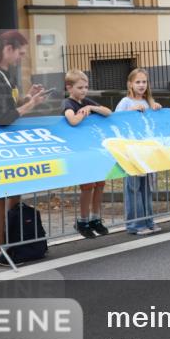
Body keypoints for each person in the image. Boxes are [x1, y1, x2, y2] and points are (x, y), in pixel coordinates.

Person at [0, 30, 51, 263]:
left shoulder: (6, 75)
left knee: (14, 193)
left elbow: (11, 104)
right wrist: (30, 106)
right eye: (20, 53)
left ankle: (14, 242)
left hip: (8, 142)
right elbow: (2, 117)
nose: (21, 57)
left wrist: (29, 97)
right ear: (7, 50)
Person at [62, 69, 112, 238]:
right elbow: (72, 120)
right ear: (70, 88)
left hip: (94, 149)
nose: (84, 91)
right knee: (87, 187)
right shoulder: (68, 104)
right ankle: (82, 221)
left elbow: (108, 111)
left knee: (100, 184)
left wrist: (90, 106)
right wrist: (81, 114)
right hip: (80, 151)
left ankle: (95, 218)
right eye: (80, 87)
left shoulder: (86, 101)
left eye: (86, 87)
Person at [115, 68, 162, 235]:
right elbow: (116, 119)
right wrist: (130, 111)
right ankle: (135, 224)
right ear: (130, 84)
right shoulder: (125, 101)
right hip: (131, 151)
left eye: (144, 82)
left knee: (146, 188)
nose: (141, 85)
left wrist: (156, 108)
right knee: (133, 188)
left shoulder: (149, 101)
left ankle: (148, 220)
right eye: (138, 82)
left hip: (147, 151)